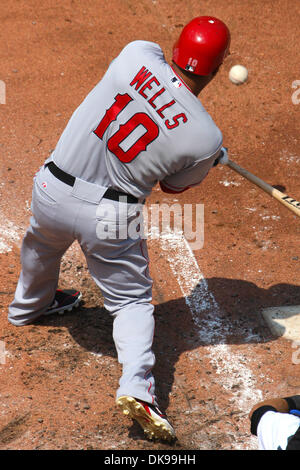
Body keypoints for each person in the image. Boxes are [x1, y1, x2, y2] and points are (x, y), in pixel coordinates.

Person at [8, 16, 230, 442]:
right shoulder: (205, 136)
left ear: (178, 46)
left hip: (52, 188)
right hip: (109, 216)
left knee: (41, 244)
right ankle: (137, 388)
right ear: (217, 69)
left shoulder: (135, 54)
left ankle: (27, 308)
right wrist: (210, 156)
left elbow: (155, 76)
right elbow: (172, 185)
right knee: (130, 301)